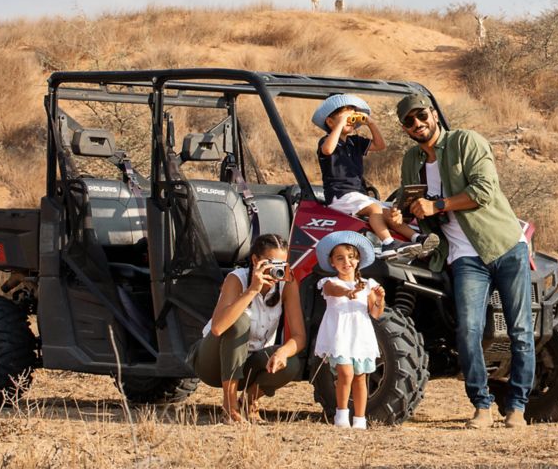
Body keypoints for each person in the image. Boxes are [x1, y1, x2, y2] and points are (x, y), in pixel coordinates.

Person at [388, 93, 534, 430]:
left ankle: (517, 407)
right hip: (462, 255)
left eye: (421, 115)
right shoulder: (411, 159)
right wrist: (399, 209)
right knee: (467, 332)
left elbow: (484, 189)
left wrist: (437, 207)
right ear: (405, 129)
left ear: (434, 114)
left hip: (503, 245)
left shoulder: (467, 142)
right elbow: (408, 194)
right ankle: (481, 406)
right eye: (409, 122)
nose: (417, 124)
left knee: (520, 330)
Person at [188, 234, 307, 423]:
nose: (276, 269)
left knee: (291, 363)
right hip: (213, 362)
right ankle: (229, 405)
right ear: (255, 260)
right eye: (270, 263)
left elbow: (300, 337)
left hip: (250, 362)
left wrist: (283, 352)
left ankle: (248, 402)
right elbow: (218, 328)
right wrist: (252, 290)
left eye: (281, 264)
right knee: (239, 321)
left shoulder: (287, 284)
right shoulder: (237, 279)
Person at [312, 93, 438, 256]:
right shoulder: (327, 141)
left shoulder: (354, 142)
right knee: (374, 209)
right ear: (330, 122)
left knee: (391, 212)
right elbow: (328, 150)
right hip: (340, 196)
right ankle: (388, 244)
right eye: (346, 115)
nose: (351, 119)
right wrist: (340, 124)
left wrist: (370, 123)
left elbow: (380, 145)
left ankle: (416, 238)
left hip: (357, 194)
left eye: (353, 115)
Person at [312, 230, 385, 429]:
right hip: (341, 336)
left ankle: (360, 418)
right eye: (340, 258)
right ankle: (341, 414)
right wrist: (348, 291)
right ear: (332, 263)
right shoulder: (330, 283)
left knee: (360, 377)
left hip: (359, 337)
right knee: (345, 373)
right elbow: (334, 291)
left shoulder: (368, 285)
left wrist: (379, 298)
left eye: (351, 257)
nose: (347, 262)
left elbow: (375, 313)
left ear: (358, 260)